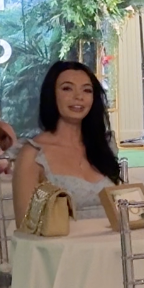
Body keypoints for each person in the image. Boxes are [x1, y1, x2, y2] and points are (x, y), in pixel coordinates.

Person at [13, 60, 125, 220]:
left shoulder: (104, 146)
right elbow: (25, 226)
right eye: (67, 88)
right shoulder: (32, 154)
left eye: (87, 90)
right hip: (61, 245)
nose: (78, 97)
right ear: (51, 95)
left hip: (112, 242)